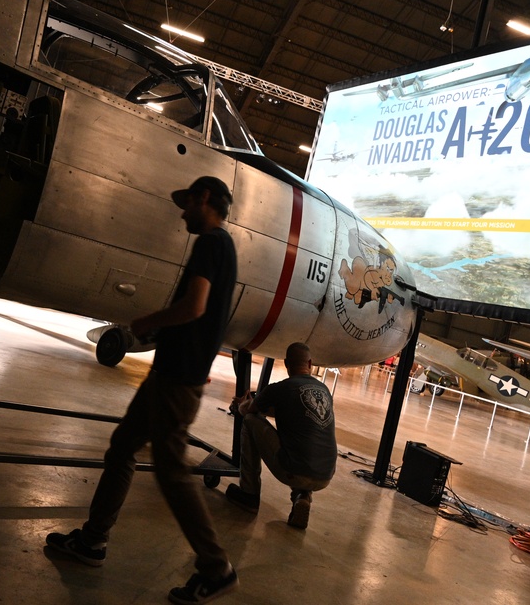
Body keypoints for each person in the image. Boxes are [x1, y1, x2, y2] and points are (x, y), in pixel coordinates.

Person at [45, 176, 239, 605]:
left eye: (186, 203)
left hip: (176, 380)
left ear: (203, 198)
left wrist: (148, 322)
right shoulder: (223, 247)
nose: (182, 212)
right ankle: (93, 541)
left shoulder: (211, 244)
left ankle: (216, 567)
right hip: (172, 375)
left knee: (172, 473)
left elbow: (196, 307)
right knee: (121, 449)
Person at [225, 342, 337, 529]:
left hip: (293, 471)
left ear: (286, 364)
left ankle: (249, 495)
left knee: (251, 421)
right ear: (310, 364)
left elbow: (248, 410)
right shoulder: (324, 391)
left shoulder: (279, 388)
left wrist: (241, 404)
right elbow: (295, 413)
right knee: (302, 440)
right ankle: (302, 496)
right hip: (325, 473)